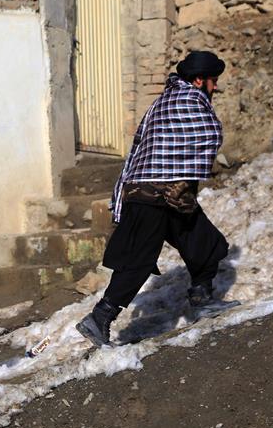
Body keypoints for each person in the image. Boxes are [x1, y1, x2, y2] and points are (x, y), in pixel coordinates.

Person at [77, 51, 231, 347]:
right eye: (212, 81)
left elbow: (139, 145)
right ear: (199, 80)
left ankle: (201, 300)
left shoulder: (160, 103)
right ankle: (99, 318)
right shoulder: (191, 100)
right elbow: (210, 134)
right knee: (138, 261)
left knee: (206, 242)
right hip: (154, 197)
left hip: (158, 194)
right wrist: (187, 175)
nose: (214, 88)